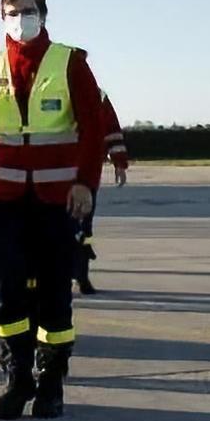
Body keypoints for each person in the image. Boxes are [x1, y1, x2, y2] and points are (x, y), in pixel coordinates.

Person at [0, 0, 104, 421]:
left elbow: (92, 129)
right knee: (4, 292)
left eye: (29, 10)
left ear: (44, 14)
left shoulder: (70, 63)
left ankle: (52, 382)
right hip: (2, 200)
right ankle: (17, 376)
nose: (22, 19)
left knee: (56, 294)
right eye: (14, 12)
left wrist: (84, 184)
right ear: (2, 18)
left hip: (57, 199)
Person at [75, 89, 129, 294]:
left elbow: (111, 129)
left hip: (85, 173)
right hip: (51, 174)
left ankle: (81, 275)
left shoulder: (96, 94)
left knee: (83, 229)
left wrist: (119, 163)